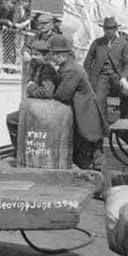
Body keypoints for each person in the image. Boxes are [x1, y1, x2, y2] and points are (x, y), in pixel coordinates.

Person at [47, 36, 106, 170]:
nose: (52, 57)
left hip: (86, 119)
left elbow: (62, 95)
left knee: (93, 159)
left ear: (62, 55)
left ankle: (102, 188)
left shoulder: (71, 70)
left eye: (53, 54)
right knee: (91, 157)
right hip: (85, 117)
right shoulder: (69, 66)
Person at [83, 16, 128, 121]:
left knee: (126, 93)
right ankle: (103, 126)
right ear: (103, 29)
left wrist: (124, 77)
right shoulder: (97, 43)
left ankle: (124, 121)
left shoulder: (123, 43)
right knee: (98, 99)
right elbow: (87, 62)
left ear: (116, 29)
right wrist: (88, 77)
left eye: (111, 28)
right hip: (101, 76)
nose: (109, 31)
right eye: (106, 29)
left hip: (117, 76)